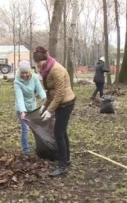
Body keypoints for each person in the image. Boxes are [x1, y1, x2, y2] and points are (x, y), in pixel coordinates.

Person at [33, 46, 76, 177]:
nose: (38, 67)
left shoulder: (56, 70)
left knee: (58, 134)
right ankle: (66, 158)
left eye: (40, 64)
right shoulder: (47, 69)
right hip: (59, 103)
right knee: (62, 132)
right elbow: (50, 92)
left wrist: (50, 110)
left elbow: (60, 93)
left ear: (45, 60)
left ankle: (62, 166)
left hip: (65, 103)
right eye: (37, 65)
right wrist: (44, 105)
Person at [14, 60, 46, 153]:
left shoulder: (34, 77)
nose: (24, 75)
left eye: (26, 72)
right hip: (21, 108)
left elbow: (40, 89)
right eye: (22, 73)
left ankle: (39, 147)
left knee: (35, 128)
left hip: (32, 107)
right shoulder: (17, 82)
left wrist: (45, 99)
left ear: (29, 71)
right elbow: (19, 97)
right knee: (25, 129)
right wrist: (23, 111)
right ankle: (26, 149)